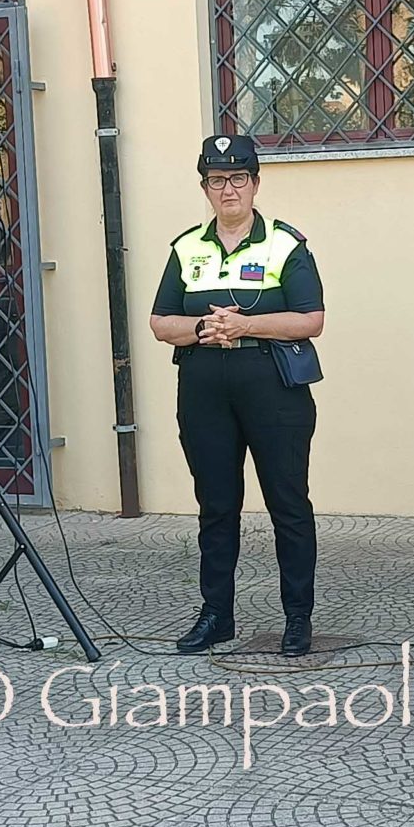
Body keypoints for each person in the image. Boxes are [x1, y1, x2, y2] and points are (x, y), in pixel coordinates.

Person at [148, 134, 326, 658]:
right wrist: (205, 326)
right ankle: (216, 615)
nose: (228, 189)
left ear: (255, 183)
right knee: (216, 505)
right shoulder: (187, 248)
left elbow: (311, 319)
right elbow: (160, 323)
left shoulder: (285, 245)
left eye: (238, 179)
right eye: (217, 180)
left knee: (288, 504)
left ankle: (297, 617)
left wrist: (246, 324)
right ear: (205, 188)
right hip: (204, 387)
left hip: (272, 386)